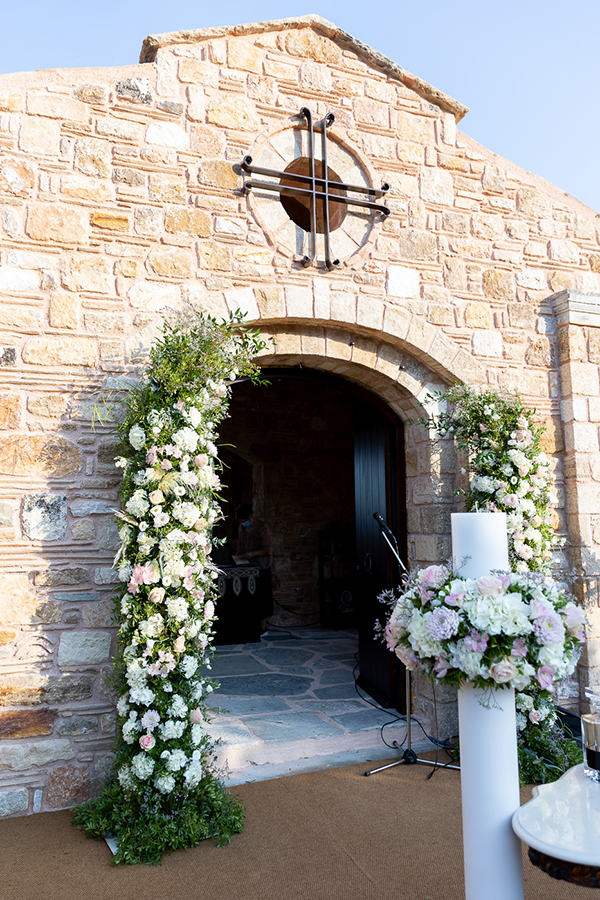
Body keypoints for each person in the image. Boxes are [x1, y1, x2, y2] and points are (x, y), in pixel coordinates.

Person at [233, 504, 274, 634]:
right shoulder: (242, 528)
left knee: (263, 598)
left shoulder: (262, 528)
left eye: (244, 521)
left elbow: (268, 550)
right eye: (240, 522)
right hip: (246, 567)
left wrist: (251, 554)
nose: (242, 524)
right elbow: (240, 544)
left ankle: (262, 628)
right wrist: (238, 555)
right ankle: (249, 626)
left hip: (261, 567)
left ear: (250, 517)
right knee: (248, 597)